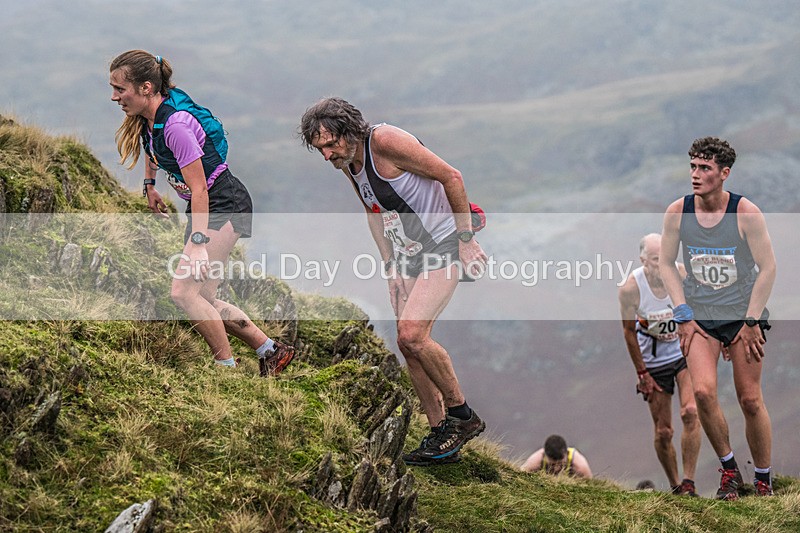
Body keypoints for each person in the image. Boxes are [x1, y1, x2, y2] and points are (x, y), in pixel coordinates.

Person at [299, 97, 487, 466]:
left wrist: (466, 240)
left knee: (413, 334)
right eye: (319, 149)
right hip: (410, 254)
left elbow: (452, 177)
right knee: (407, 344)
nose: (326, 155)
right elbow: (373, 211)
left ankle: (462, 416)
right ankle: (440, 432)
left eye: (330, 144)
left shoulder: (385, 142)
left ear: (350, 131)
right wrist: (392, 267)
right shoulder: (347, 162)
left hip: (445, 241)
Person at [109, 49, 294, 375]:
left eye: (120, 89)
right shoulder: (149, 119)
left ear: (146, 88)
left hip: (223, 204)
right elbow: (153, 148)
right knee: (203, 298)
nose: (114, 97)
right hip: (207, 207)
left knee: (183, 293)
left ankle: (225, 369)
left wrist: (197, 243)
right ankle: (270, 350)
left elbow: (200, 190)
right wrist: (150, 185)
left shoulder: (177, 125)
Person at [660, 137, 776, 499]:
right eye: (693, 167)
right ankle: (729, 471)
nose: (695, 174)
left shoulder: (745, 213)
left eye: (705, 168)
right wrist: (682, 313)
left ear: (724, 173)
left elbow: (768, 267)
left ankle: (763, 480)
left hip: (742, 314)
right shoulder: (678, 212)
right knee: (703, 392)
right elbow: (666, 263)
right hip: (700, 315)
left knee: (750, 399)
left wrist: (752, 321)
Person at [618, 233, 701, 496]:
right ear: (643, 261)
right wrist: (642, 372)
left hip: (682, 352)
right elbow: (628, 332)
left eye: (666, 256)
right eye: (656, 259)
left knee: (690, 411)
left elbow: (701, 307)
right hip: (653, 362)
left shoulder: (682, 274)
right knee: (664, 431)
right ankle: (676, 486)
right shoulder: (631, 288)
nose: (662, 263)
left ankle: (689, 482)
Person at [520, 435, 593, 478]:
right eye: (552, 464)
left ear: (566, 453)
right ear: (544, 455)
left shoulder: (580, 465)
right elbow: (519, 476)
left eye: (561, 464)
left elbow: (592, 485)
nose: (556, 469)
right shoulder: (535, 461)